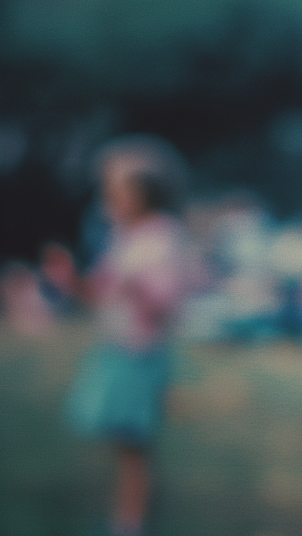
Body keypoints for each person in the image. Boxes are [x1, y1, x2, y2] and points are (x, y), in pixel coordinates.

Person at [66, 135, 194, 536]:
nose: (110, 199)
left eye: (118, 190)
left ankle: (131, 523)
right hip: (116, 348)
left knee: (134, 446)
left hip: (142, 353)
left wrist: (139, 288)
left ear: (145, 193)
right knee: (123, 443)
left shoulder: (162, 236)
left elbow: (166, 304)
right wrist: (69, 280)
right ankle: (127, 517)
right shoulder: (122, 236)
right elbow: (100, 291)